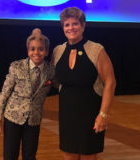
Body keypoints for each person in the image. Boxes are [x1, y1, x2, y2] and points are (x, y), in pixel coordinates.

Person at [51, 7, 116, 160]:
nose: (71, 28)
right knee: (68, 154)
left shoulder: (96, 49)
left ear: (83, 25)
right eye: (67, 25)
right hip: (67, 114)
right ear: (63, 28)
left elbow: (110, 83)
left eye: (75, 24)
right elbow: (53, 79)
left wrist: (103, 115)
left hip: (90, 114)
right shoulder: (57, 51)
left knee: (88, 156)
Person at [0, 28, 55, 160]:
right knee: (10, 155)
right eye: (32, 49)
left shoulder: (50, 71)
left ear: (46, 51)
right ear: (28, 50)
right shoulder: (17, 66)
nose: (36, 52)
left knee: (30, 155)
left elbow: (61, 85)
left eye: (40, 49)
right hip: (13, 117)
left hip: (34, 119)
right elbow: (5, 92)